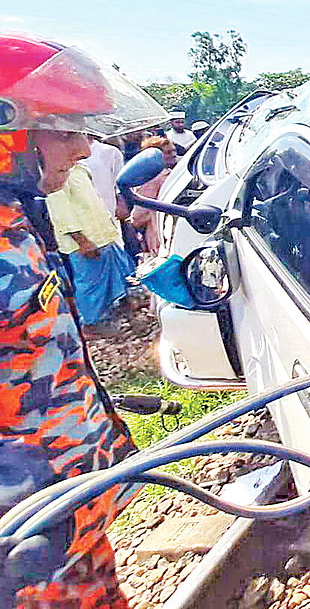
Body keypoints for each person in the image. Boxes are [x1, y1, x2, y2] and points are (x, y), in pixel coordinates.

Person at [1, 33, 166, 608]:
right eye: (67, 133)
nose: (82, 149)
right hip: (24, 523)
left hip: (69, 496)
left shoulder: (18, 220)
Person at [45, 163, 134, 335]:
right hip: (83, 241)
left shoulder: (81, 169)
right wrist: (82, 241)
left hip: (102, 234)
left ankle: (112, 315)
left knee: (120, 275)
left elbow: (93, 200)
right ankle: (91, 324)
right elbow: (60, 212)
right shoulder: (54, 175)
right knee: (90, 285)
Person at [129, 135, 177, 256]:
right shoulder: (152, 178)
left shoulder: (170, 174)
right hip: (158, 236)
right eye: (168, 152)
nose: (173, 155)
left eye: (174, 150)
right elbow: (138, 217)